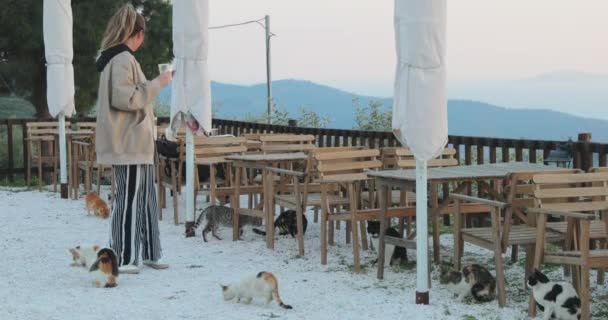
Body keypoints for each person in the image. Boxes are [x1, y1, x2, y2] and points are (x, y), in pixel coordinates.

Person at [95, 4, 172, 274]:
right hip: (128, 141)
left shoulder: (115, 58)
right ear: (137, 33)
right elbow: (126, 98)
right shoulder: (123, 59)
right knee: (129, 200)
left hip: (135, 142)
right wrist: (157, 84)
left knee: (146, 198)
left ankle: (150, 252)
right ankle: (125, 256)